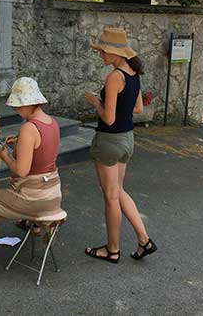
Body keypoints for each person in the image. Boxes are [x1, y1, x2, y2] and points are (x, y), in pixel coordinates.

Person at [0, 77, 65, 262]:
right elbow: (41, 154)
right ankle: (35, 226)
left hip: (32, 199)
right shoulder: (52, 122)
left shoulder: (29, 128)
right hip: (53, 196)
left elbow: (21, 171)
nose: (16, 110)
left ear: (28, 103)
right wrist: (19, 144)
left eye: (18, 106)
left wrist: (3, 155)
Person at [84, 27, 157, 264]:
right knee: (119, 190)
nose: (100, 55)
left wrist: (95, 101)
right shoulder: (134, 73)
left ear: (116, 53)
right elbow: (138, 109)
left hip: (109, 140)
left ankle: (112, 249)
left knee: (111, 196)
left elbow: (109, 118)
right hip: (127, 140)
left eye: (103, 51)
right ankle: (144, 239)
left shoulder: (115, 76)